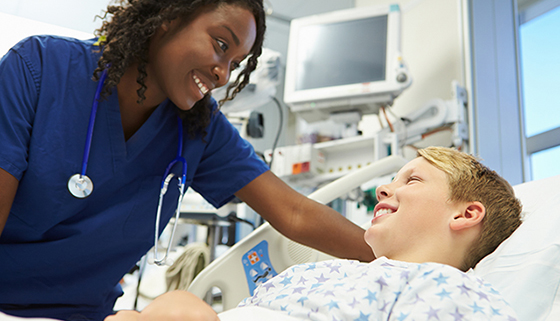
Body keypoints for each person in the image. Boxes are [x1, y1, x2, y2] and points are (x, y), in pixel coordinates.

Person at [0, 1, 374, 320]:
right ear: (169, 15)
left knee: (186, 310)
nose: (223, 74)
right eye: (220, 44)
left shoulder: (197, 128)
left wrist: (405, 255)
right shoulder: (39, 70)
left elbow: (294, 213)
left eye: (235, 62)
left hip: (85, 313)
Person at [104, 146, 523, 321]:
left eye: (412, 181)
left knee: (181, 308)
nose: (383, 188)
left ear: (466, 214)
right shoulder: (330, 272)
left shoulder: (450, 289)